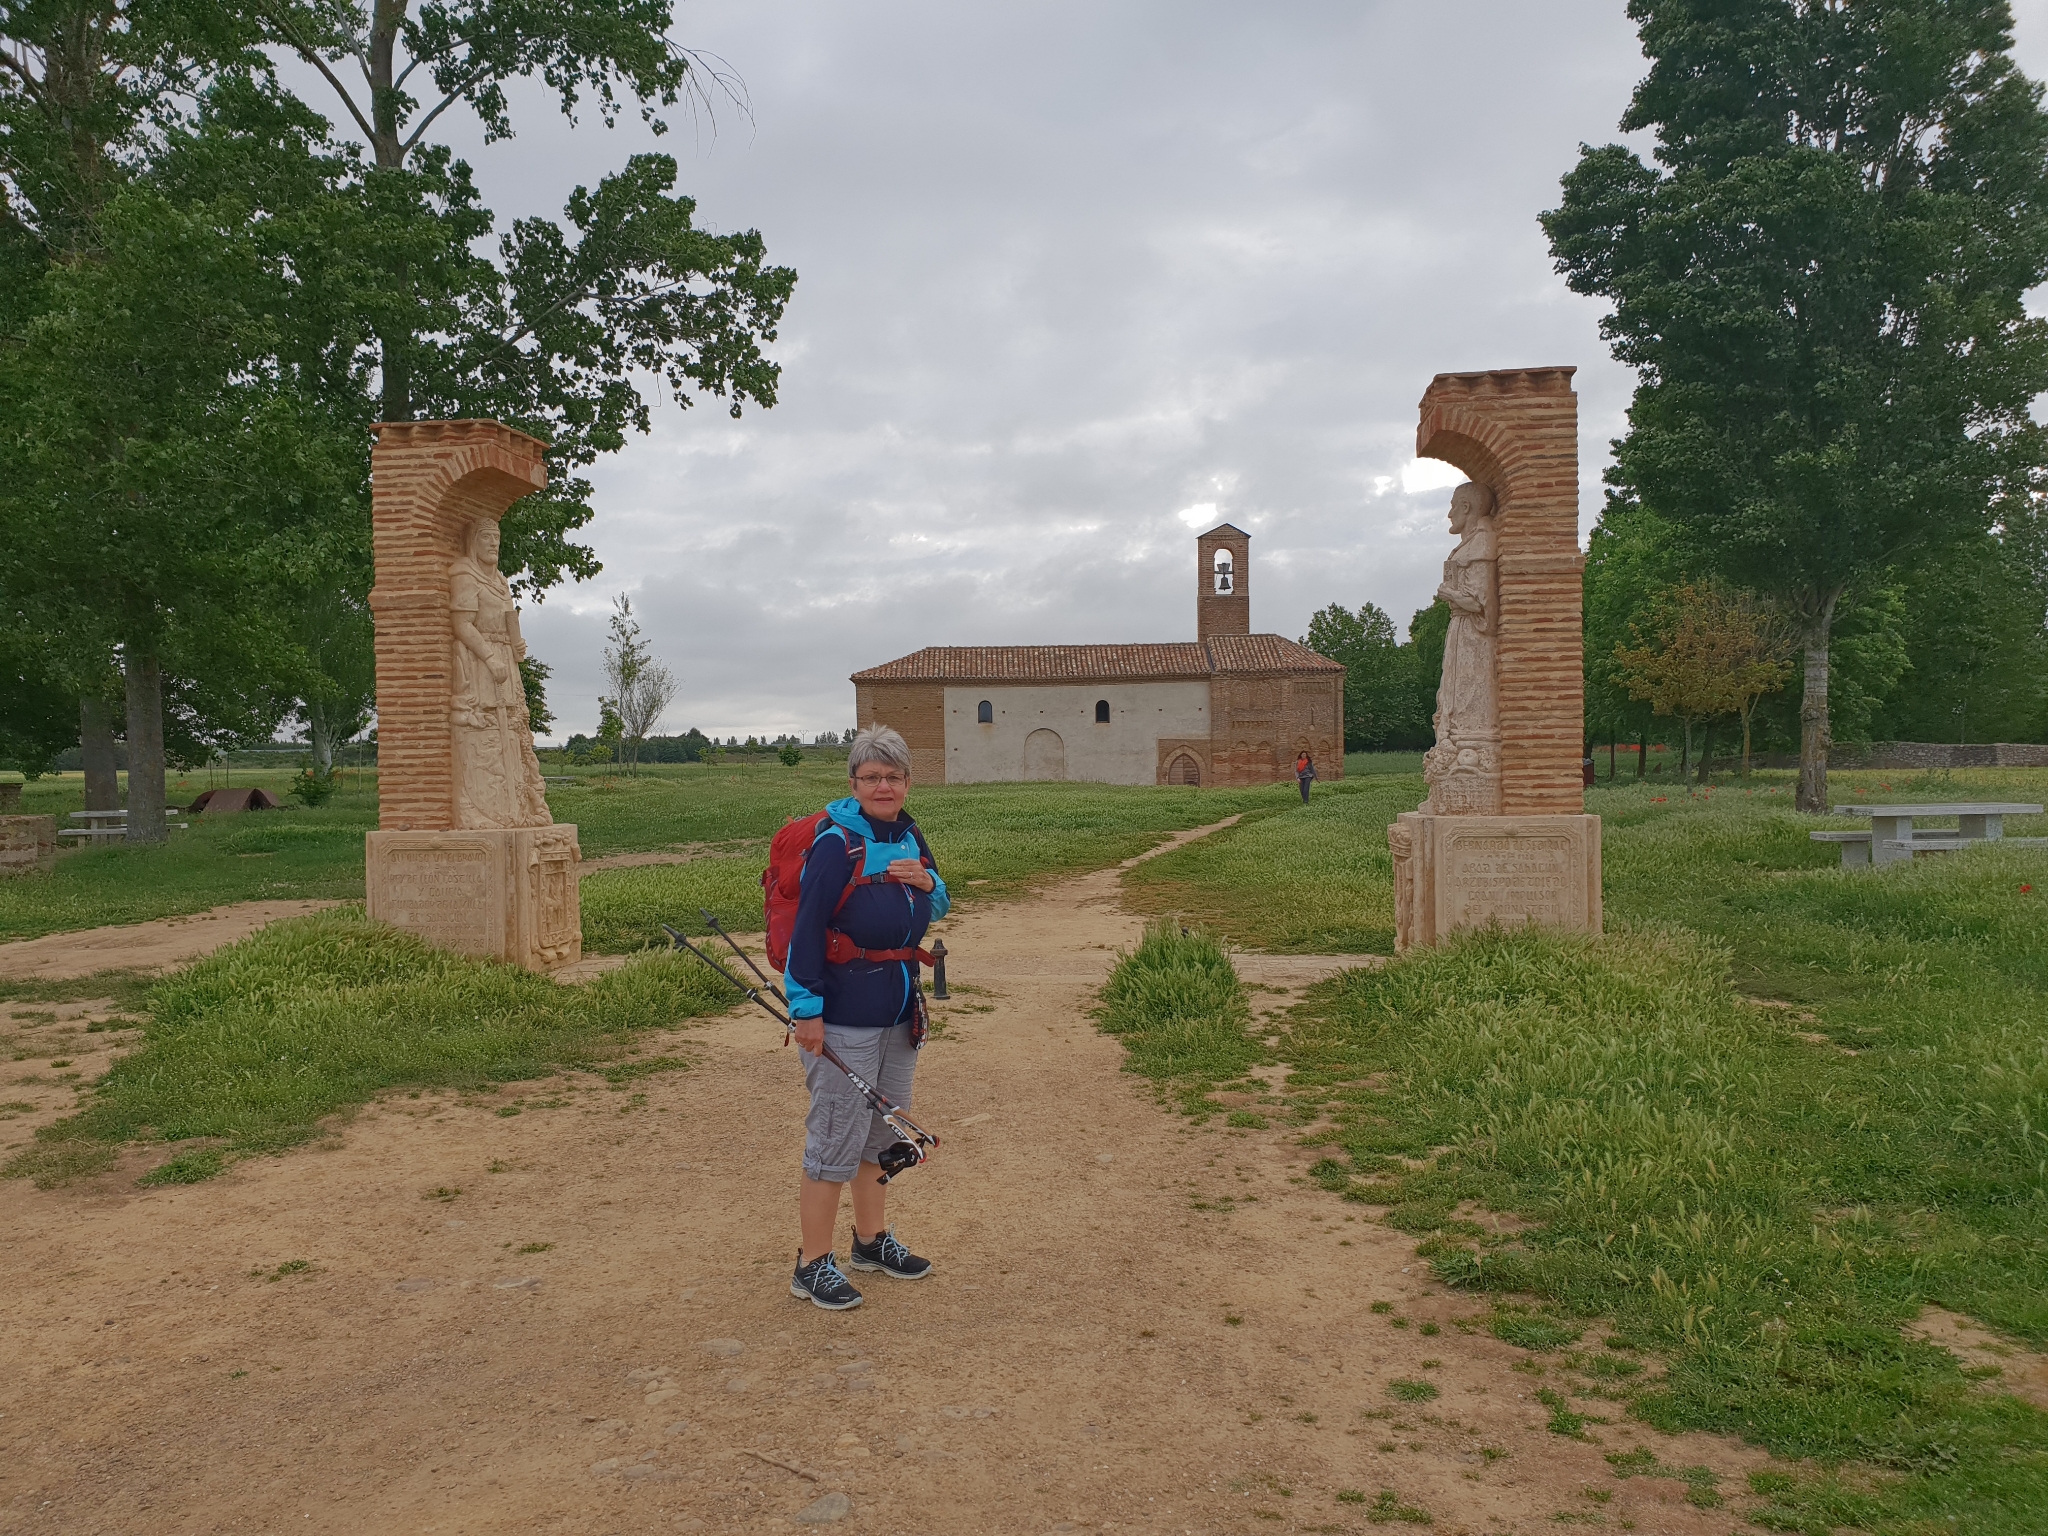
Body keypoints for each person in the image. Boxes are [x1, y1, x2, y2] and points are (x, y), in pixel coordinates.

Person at [784, 724, 949, 1310]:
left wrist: (929, 881)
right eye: (873, 776)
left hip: (900, 1010)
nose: (885, 785)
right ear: (853, 783)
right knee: (834, 1138)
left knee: (881, 1135)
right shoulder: (836, 844)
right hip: (844, 1015)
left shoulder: (909, 835)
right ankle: (811, 1262)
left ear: (908, 782)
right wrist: (805, 1011)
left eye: (895, 776)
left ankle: (871, 1240)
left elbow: (942, 898)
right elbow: (806, 932)